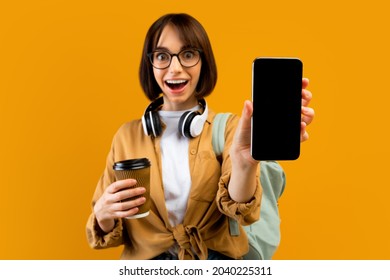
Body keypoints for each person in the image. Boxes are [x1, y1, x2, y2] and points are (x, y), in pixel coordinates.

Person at [86, 13, 314, 260]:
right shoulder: (126, 136)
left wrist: (244, 164)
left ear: (203, 62)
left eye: (187, 55)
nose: (175, 68)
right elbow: (110, 232)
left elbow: (240, 208)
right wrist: (103, 213)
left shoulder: (230, 129)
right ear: (150, 64)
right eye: (162, 56)